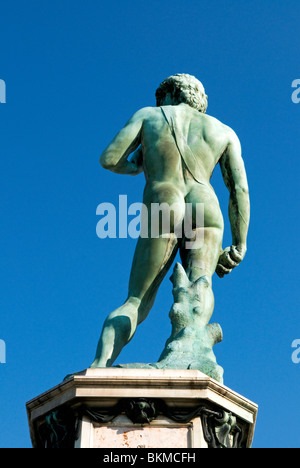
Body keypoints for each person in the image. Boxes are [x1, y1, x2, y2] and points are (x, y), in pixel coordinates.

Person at [91, 73, 250, 368]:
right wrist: (239, 244)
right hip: (206, 207)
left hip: (164, 200)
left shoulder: (149, 116)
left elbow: (110, 159)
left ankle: (99, 367)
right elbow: (239, 189)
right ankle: (190, 356)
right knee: (199, 286)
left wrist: (137, 163)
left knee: (136, 301)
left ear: (172, 92)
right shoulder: (224, 132)